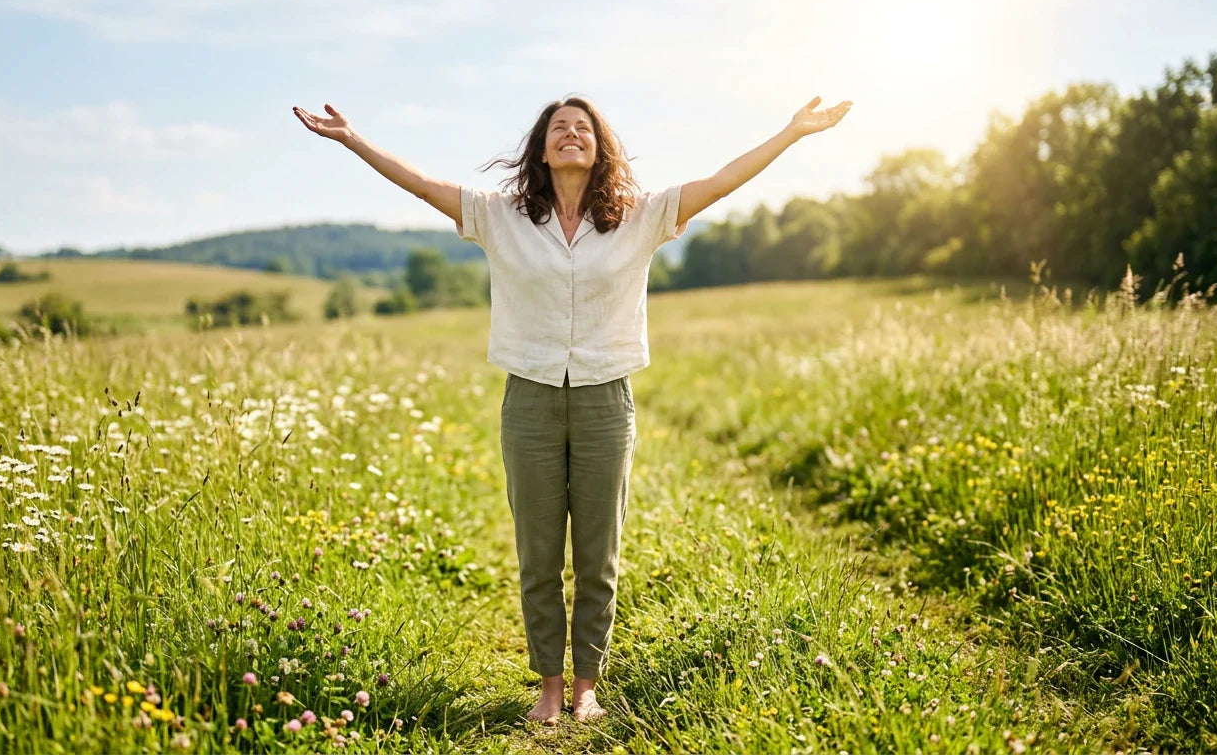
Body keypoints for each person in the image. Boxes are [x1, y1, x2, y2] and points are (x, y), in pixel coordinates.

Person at [291, 94, 851, 725]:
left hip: (606, 397)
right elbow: (422, 184)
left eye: (583, 128)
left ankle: (587, 682)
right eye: (558, 128)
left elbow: (721, 182)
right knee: (537, 550)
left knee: (597, 550)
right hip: (528, 397)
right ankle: (549, 683)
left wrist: (792, 132)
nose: (571, 134)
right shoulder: (501, 217)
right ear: (541, 147)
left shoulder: (639, 217)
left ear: (599, 146)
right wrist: (354, 140)